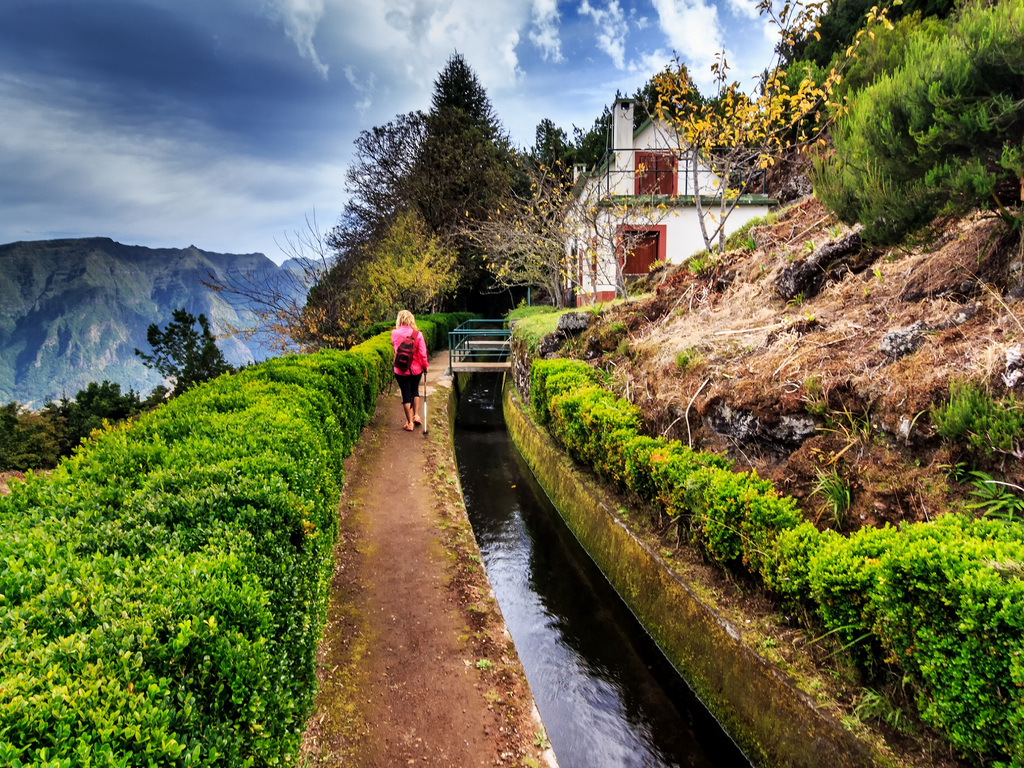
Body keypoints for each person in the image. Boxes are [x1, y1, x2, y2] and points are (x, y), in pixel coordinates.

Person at [391, 309, 428, 431]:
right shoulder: (418, 335)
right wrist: (425, 366)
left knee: (406, 395)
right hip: (416, 370)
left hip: (401, 370)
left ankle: (409, 422)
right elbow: (422, 353)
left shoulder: (394, 333)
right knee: (415, 391)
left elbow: (396, 350)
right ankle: (416, 415)